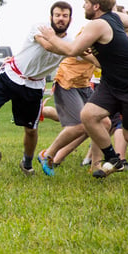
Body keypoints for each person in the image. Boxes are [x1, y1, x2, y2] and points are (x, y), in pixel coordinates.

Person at [38, 0, 128, 179]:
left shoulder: (97, 24)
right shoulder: (113, 18)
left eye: (86, 3)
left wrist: (52, 37)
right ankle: (113, 158)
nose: (83, 6)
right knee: (88, 116)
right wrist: (115, 13)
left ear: (95, 6)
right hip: (111, 83)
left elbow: (71, 51)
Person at [0, 1, 73, 177]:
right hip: (11, 74)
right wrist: (69, 49)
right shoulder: (39, 28)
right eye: (57, 15)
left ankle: (27, 163)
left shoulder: (71, 42)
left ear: (70, 19)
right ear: (51, 17)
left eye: (65, 16)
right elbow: (48, 46)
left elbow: (80, 52)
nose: (61, 19)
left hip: (33, 86)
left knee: (30, 130)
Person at [36, 44, 96, 176]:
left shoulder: (114, 33)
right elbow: (75, 50)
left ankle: (96, 166)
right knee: (78, 126)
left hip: (84, 83)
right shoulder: (91, 31)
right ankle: (48, 155)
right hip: (67, 82)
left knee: (100, 123)